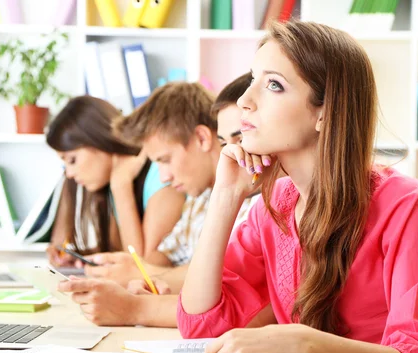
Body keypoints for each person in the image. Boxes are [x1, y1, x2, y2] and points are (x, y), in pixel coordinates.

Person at [177, 21, 418, 353]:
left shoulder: (403, 204)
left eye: (273, 85)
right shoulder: (273, 208)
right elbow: (201, 327)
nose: (244, 101)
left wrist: (303, 342)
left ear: (325, 112)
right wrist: (225, 196)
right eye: (252, 80)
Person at [58, 78, 269, 327]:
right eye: (225, 141)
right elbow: (164, 256)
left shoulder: (258, 203)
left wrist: (141, 282)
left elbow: (223, 285)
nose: (164, 177)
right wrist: (144, 275)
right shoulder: (199, 198)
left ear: (202, 138)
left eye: (166, 159)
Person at [45, 96, 185, 275]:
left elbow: (141, 268)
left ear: (99, 140)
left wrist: (121, 186)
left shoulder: (162, 174)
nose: (70, 174)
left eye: (73, 160)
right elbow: (122, 254)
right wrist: (85, 258)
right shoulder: (110, 181)